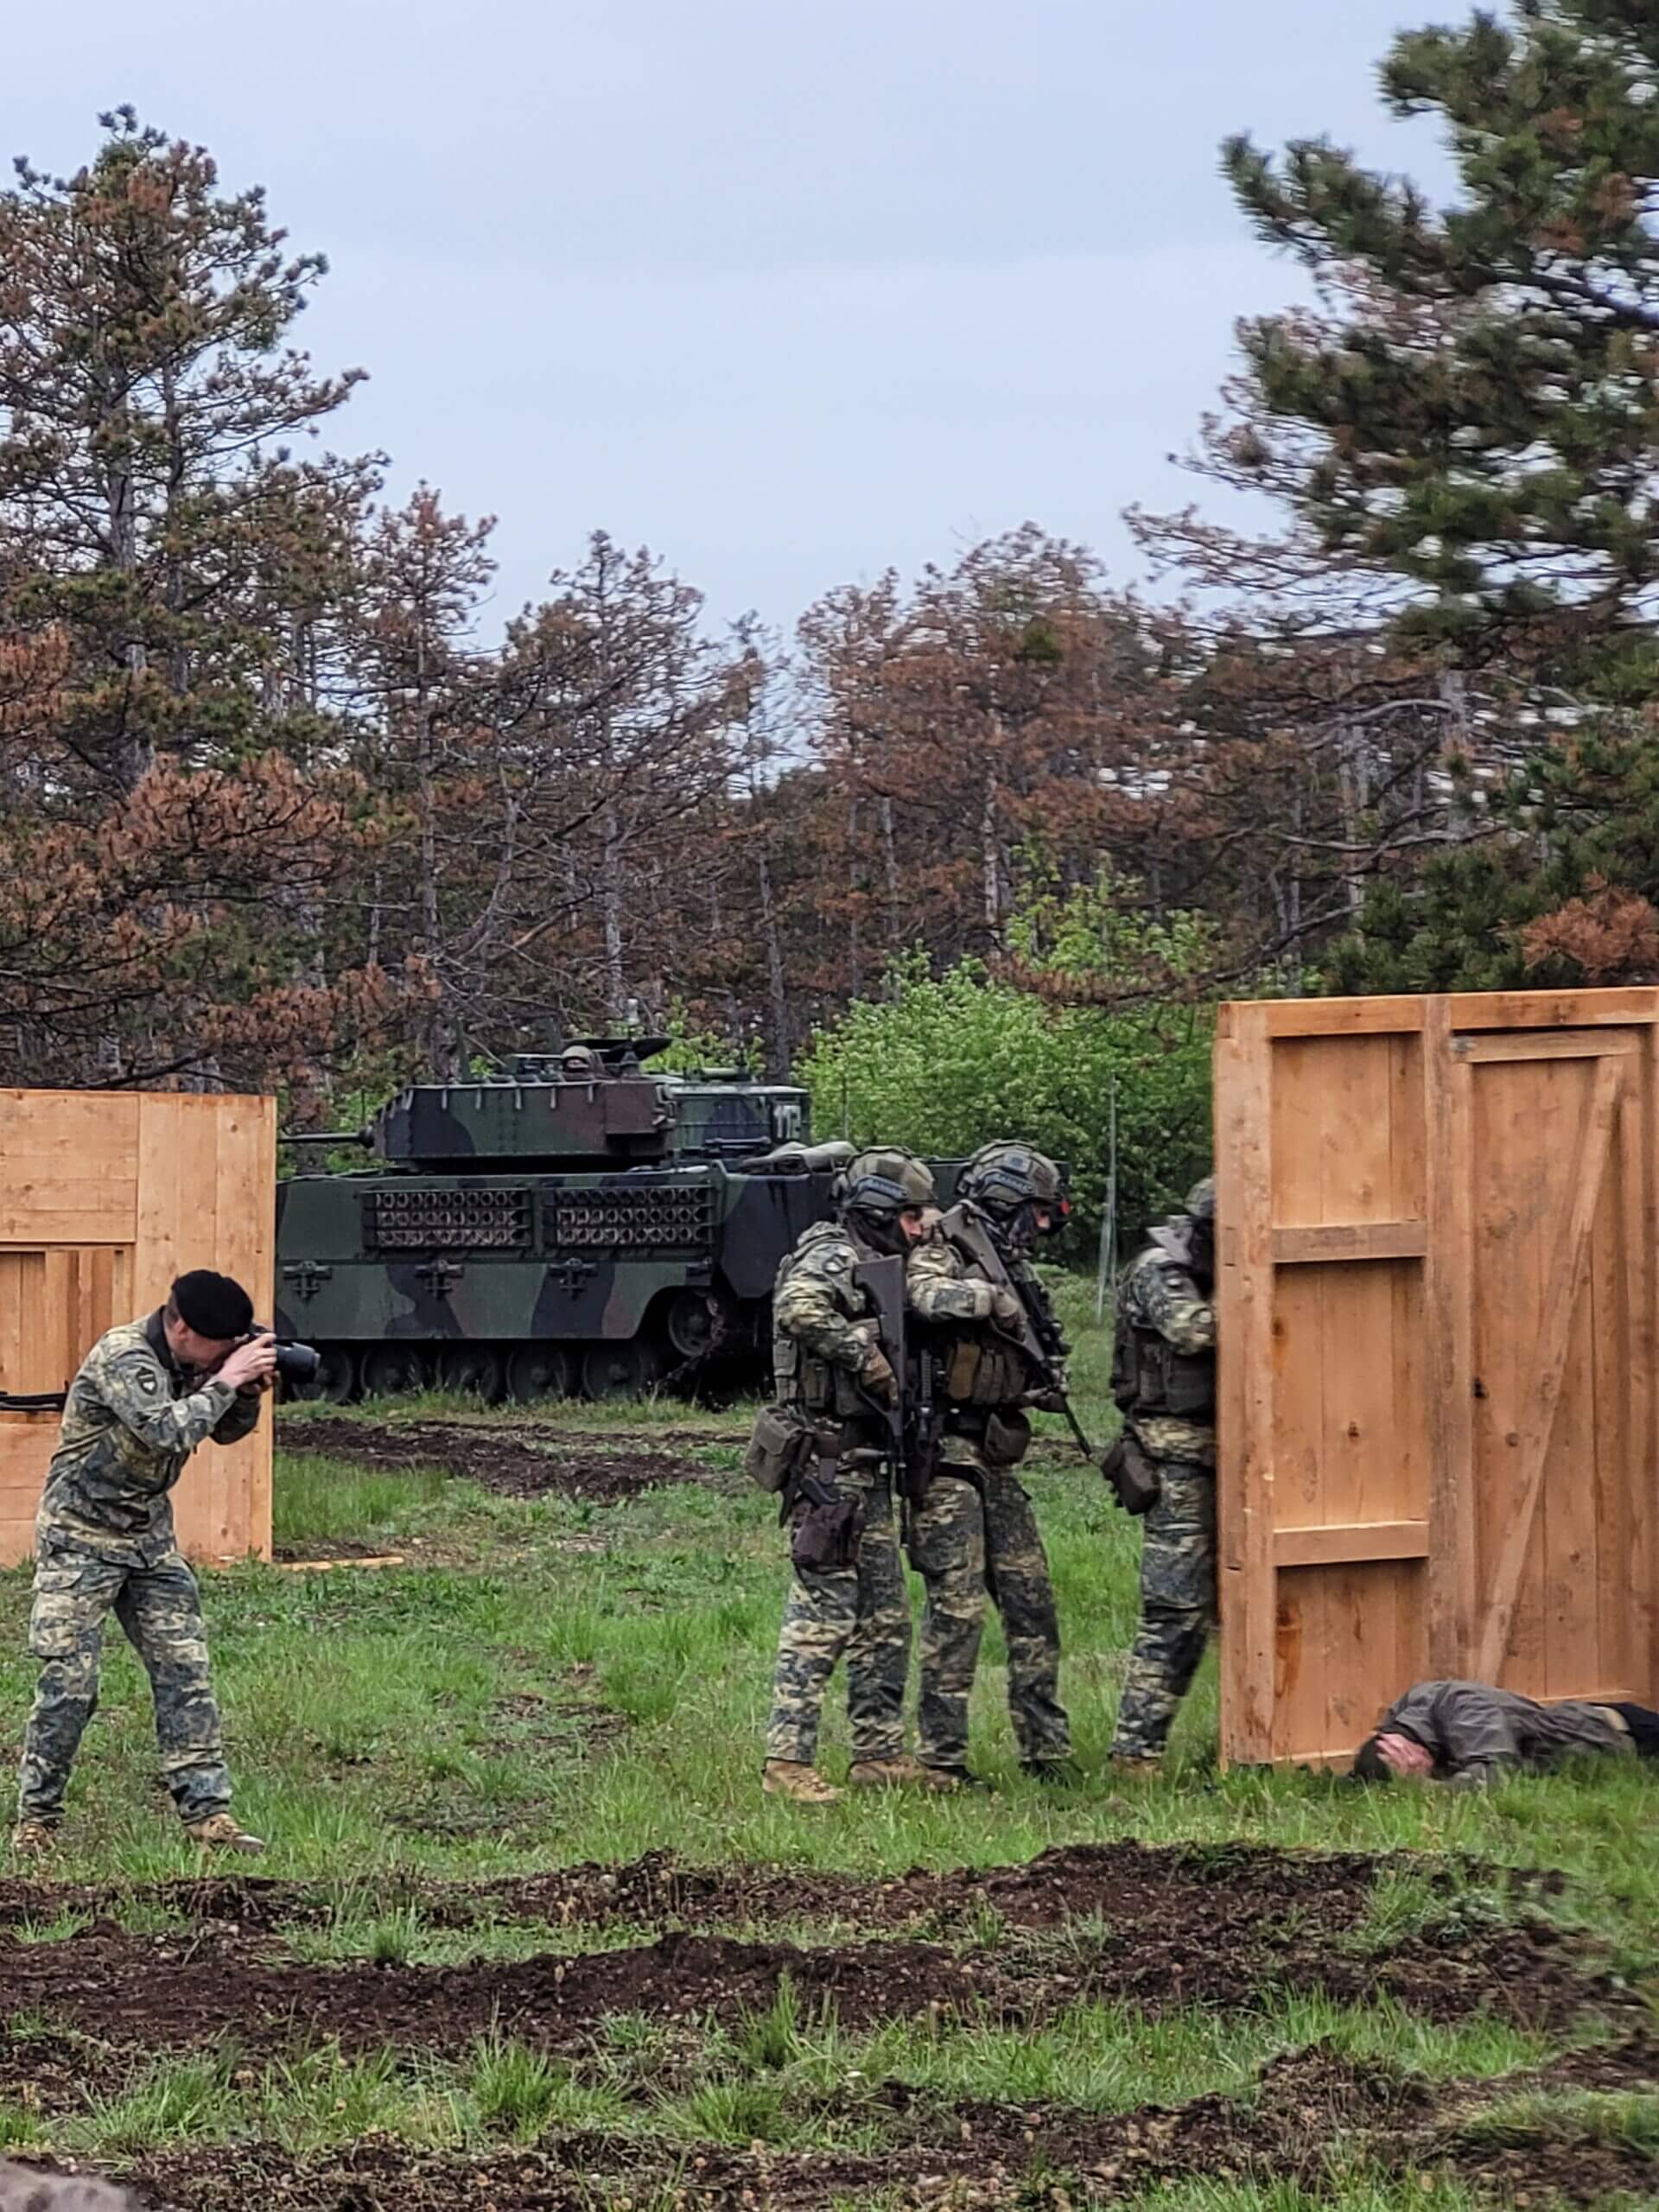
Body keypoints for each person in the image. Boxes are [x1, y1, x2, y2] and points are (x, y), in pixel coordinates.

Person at [11, 1272, 276, 1858]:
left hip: (147, 1541)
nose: (227, 1353)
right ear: (180, 1328)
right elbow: (165, 1431)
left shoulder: (196, 1360)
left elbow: (225, 1432)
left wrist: (245, 1391)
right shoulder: (123, 1355)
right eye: (219, 1345)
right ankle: (36, 1821)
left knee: (185, 1673)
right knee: (70, 1685)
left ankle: (209, 1817)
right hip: (80, 1537)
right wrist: (226, 1379)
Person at [761, 1149, 935, 1803]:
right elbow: (799, 1308)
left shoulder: (877, 1262)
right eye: (911, 1217)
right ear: (878, 1212)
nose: (920, 1229)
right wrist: (865, 1356)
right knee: (822, 1615)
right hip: (830, 1471)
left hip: (868, 1468)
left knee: (885, 1617)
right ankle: (786, 1763)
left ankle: (878, 1753)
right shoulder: (833, 1254)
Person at [906, 1142, 1073, 1788]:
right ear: (1006, 1201)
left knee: (1032, 1603)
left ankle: (1045, 1749)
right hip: (946, 1452)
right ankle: (940, 1759)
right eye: (1036, 1211)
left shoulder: (1010, 1261)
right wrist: (986, 1299)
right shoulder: (946, 1243)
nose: (1042, 1224)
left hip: (994, 1453)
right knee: (958, 1608)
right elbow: (923, 1295)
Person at [1108, 1176, 1217, 1773]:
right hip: (1174, 1462)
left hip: (1219, 1459)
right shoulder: (1160, 1268)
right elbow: (1193, 1330)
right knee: (1175, 1611)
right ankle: (1135, 1751)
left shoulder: (1203, 1268)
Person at [1352, 1680, 1659, 1783]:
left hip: (1621, 1732)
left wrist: (1423, 1788)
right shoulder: (1406, 1721)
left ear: (1410, 1750)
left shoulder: (1461, 1709)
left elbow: (1496, 1777)